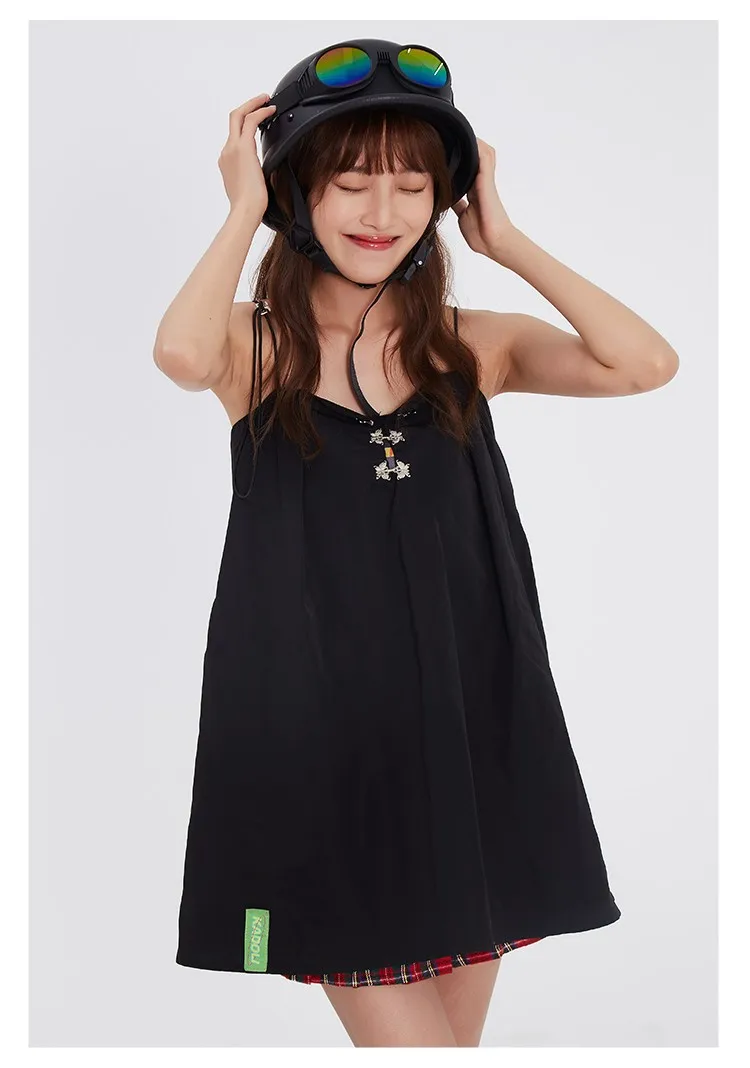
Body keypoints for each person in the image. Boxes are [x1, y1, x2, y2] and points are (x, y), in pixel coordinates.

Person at [153, 39, 678, 1048]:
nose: (382, 211)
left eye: (410, 184)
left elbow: (644, 364)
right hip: (315, 758)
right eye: (352, 180)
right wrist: (240, 210)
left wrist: (508, 240)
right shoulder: (254, 347)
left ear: (446, 198)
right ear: (295, 191)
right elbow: (179, 353)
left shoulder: (473, 345)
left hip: (472, 743)